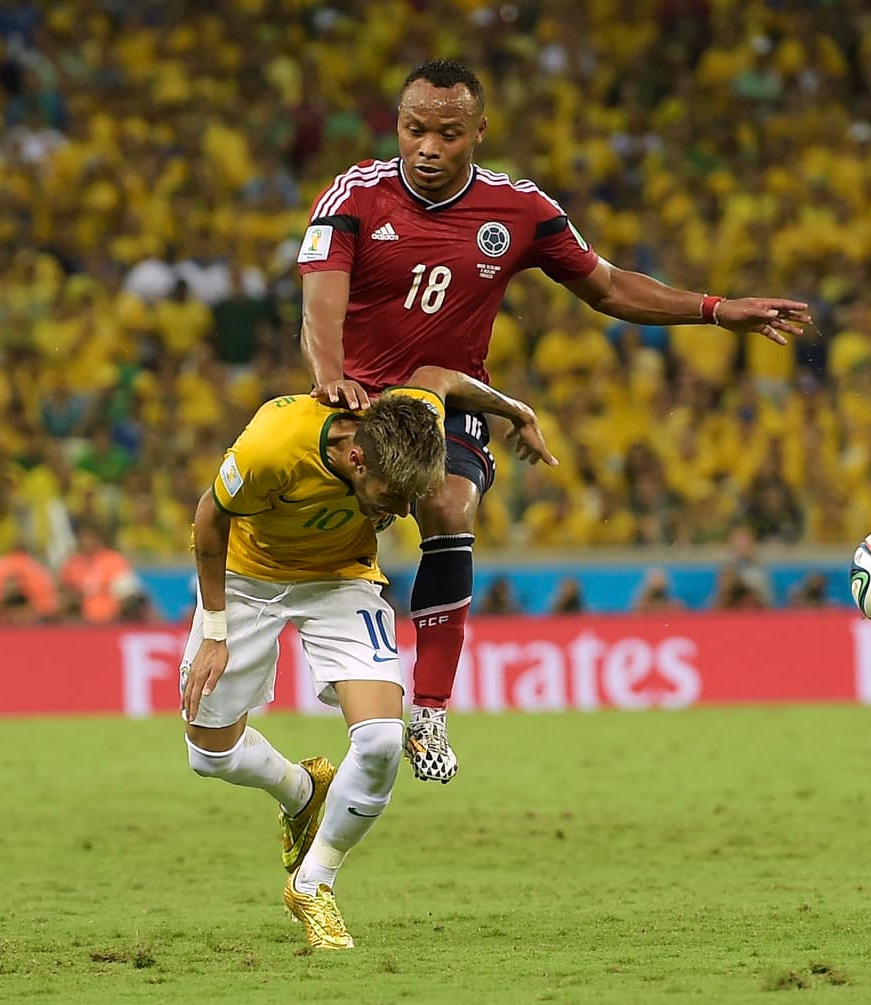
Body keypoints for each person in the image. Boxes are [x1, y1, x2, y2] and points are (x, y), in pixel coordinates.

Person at [297, 58, 811, 783]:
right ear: (399, 126)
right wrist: (331, 380)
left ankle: (431, 709)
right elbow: (320, 308)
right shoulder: (354, 196)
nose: (428, 148)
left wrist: (715, 309)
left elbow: (607, 287)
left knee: (450, 503)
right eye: (414, 130)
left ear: (480, 131)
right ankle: (333, 653)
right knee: (321, 530)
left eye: (448, 134)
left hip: (451, 402)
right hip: (357, 404)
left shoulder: (519, 210)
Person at [179, 365, 555, 949]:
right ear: (357, 460)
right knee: (210, 757)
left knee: (381, 741)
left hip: (341, 580)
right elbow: (210, 516)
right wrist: (215, 630)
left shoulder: (411, 418)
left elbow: (442, 378)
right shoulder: (272, 444)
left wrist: (515, 410)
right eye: (393, 496)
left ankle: (313, 883)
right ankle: (302, 792)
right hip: (248, 578)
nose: (403, 512)